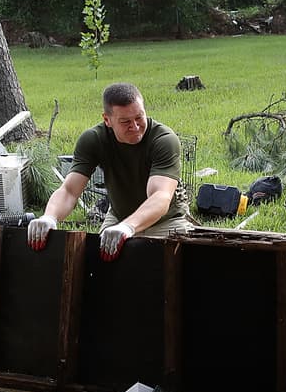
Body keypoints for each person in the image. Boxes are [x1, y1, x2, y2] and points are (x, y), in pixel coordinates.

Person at [27, 82, 190, 260]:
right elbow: (69, 190)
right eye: (125, 122)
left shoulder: (164, 139)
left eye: (139, 117)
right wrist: (50, 217)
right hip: (120, 216)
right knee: (99, 267)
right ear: (107, 120)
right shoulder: (94, 139)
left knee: (171, 268)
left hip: (167, 220)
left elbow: (160, 197)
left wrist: (128, 227)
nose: (135, 127)